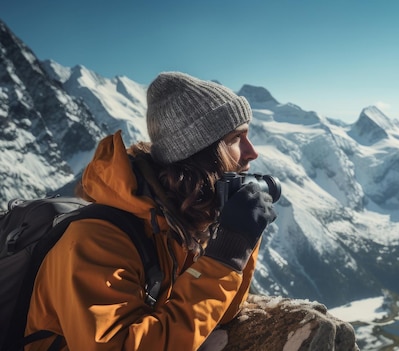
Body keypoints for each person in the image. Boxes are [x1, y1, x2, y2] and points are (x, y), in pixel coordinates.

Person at [25, 72, 277, 350]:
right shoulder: (94, 241)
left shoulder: (179, 217)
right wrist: (226, 257)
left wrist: (241, 238)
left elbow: (221, 313)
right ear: (201, 152)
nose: (252, 152)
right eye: (236, 138)